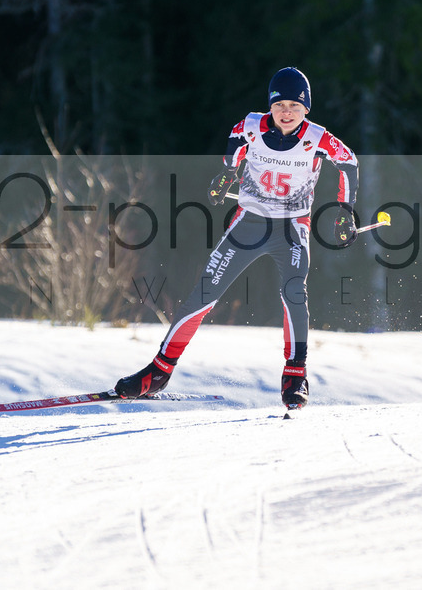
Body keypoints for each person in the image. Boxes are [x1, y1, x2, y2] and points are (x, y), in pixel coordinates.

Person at [114, 67, 360, 409]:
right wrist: (228, 172)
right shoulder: (251, 126)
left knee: (293, 292)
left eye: (294, 105)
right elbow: (235, 138)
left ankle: (295, 375)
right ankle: (158, 372)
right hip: (249, 225)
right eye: (279, 105)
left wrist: (346, 210)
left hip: (291, 228)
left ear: (306, 109)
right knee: (204, 293)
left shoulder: (317, 138)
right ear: (270, 106)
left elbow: (348, 162)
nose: (286, 112)